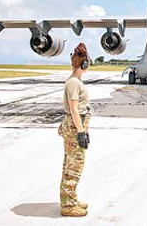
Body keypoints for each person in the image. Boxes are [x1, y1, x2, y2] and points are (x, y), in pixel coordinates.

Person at [58, 42, 91, 217]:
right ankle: (68, 206)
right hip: (74, 128)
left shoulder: (75, 82)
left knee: (71, 164)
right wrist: (80, 131)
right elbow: (74, 109)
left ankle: (71, 198)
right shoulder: (73, 83)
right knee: (74, 167)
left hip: (76, 126)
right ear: (84, 64)